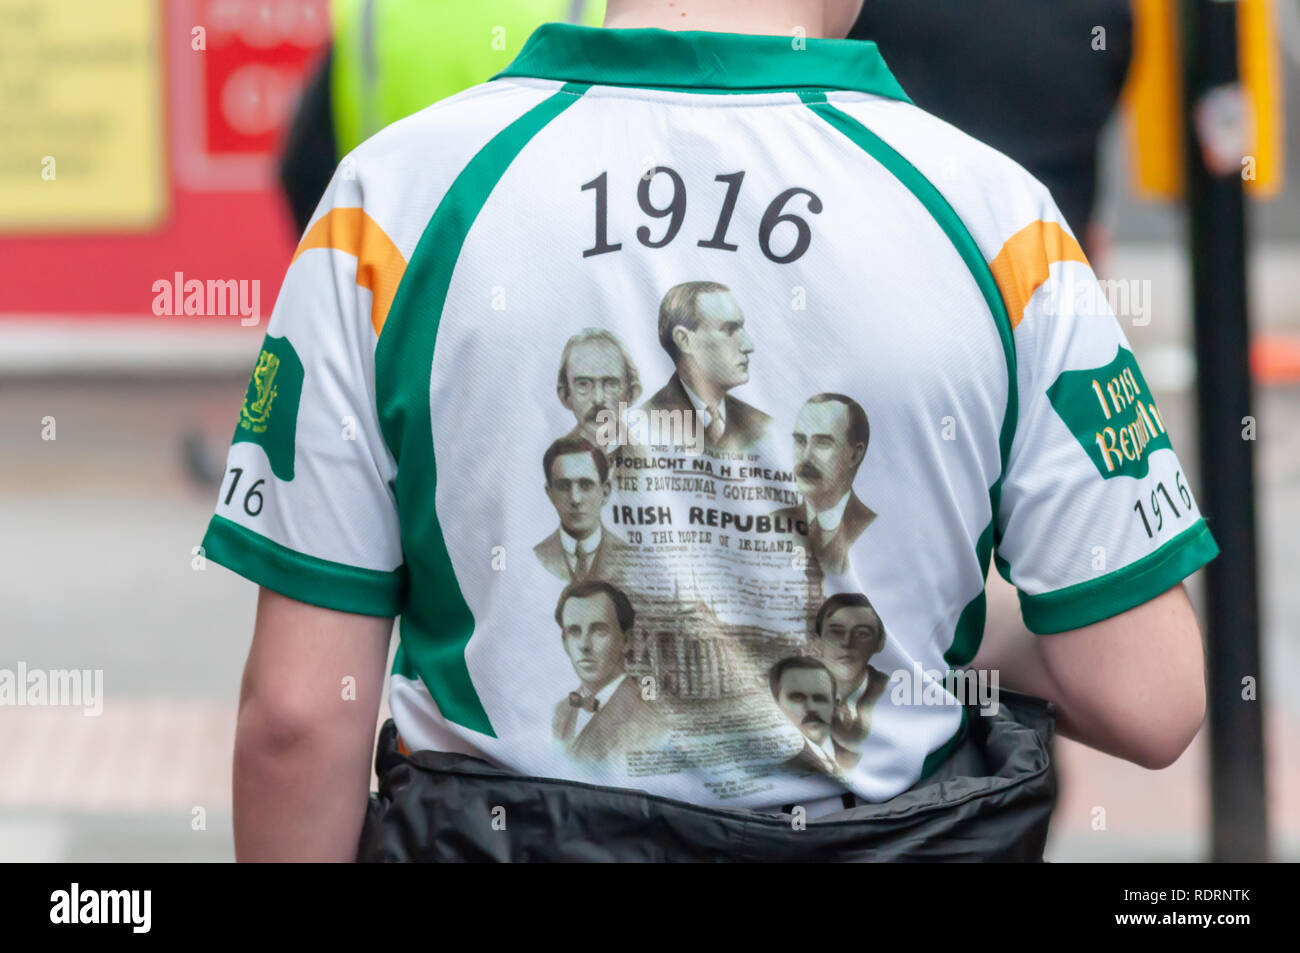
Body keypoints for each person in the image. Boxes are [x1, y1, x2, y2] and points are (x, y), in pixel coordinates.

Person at [208, 0, 1216, 862]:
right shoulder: (1002, 223)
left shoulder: (387, 203)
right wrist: (925, 637)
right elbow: (1148, 692)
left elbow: (299, 720)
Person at [641, 281, 773, 454]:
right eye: (729, 330)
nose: (748, 346)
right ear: (684, 340)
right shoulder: (641, 426)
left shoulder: (762, 426)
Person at [552, 580, 666, 763]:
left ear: (626, 640)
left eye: (599, 631)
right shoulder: (559, 712)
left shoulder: (649, 723)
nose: (584, 645)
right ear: (565, 643)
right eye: (574, 631)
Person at [772, 394, 875, 575]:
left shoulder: (873, 530)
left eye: (822, 443)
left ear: (855, 455)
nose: (806, 457)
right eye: (800, 441)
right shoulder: (772, 523)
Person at [535, 437, 633, 583]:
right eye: (563, 486)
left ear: (605, 492)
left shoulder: (630, 558)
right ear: (550, 494)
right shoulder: (537, 557)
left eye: (586, 485)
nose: (575, 499)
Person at [811, 593, 890, 770]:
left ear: (879, 643)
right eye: (836, 632)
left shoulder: (894, 691)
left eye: (862, 634)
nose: (847, 643)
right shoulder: (797, 691)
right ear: (817, 643)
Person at [556, 328, 642, 455]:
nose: (598, 398)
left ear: (631, 394)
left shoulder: (651, 458)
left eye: (611, 384)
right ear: (565, 396)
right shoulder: (555, 460)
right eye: (583, 384)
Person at [770, 656, 846, 778]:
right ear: (777, 704)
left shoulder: (858, 757)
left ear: (835, 705)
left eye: (820, 698)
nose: (811, 707)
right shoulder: (777, 770)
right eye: (797, 698)